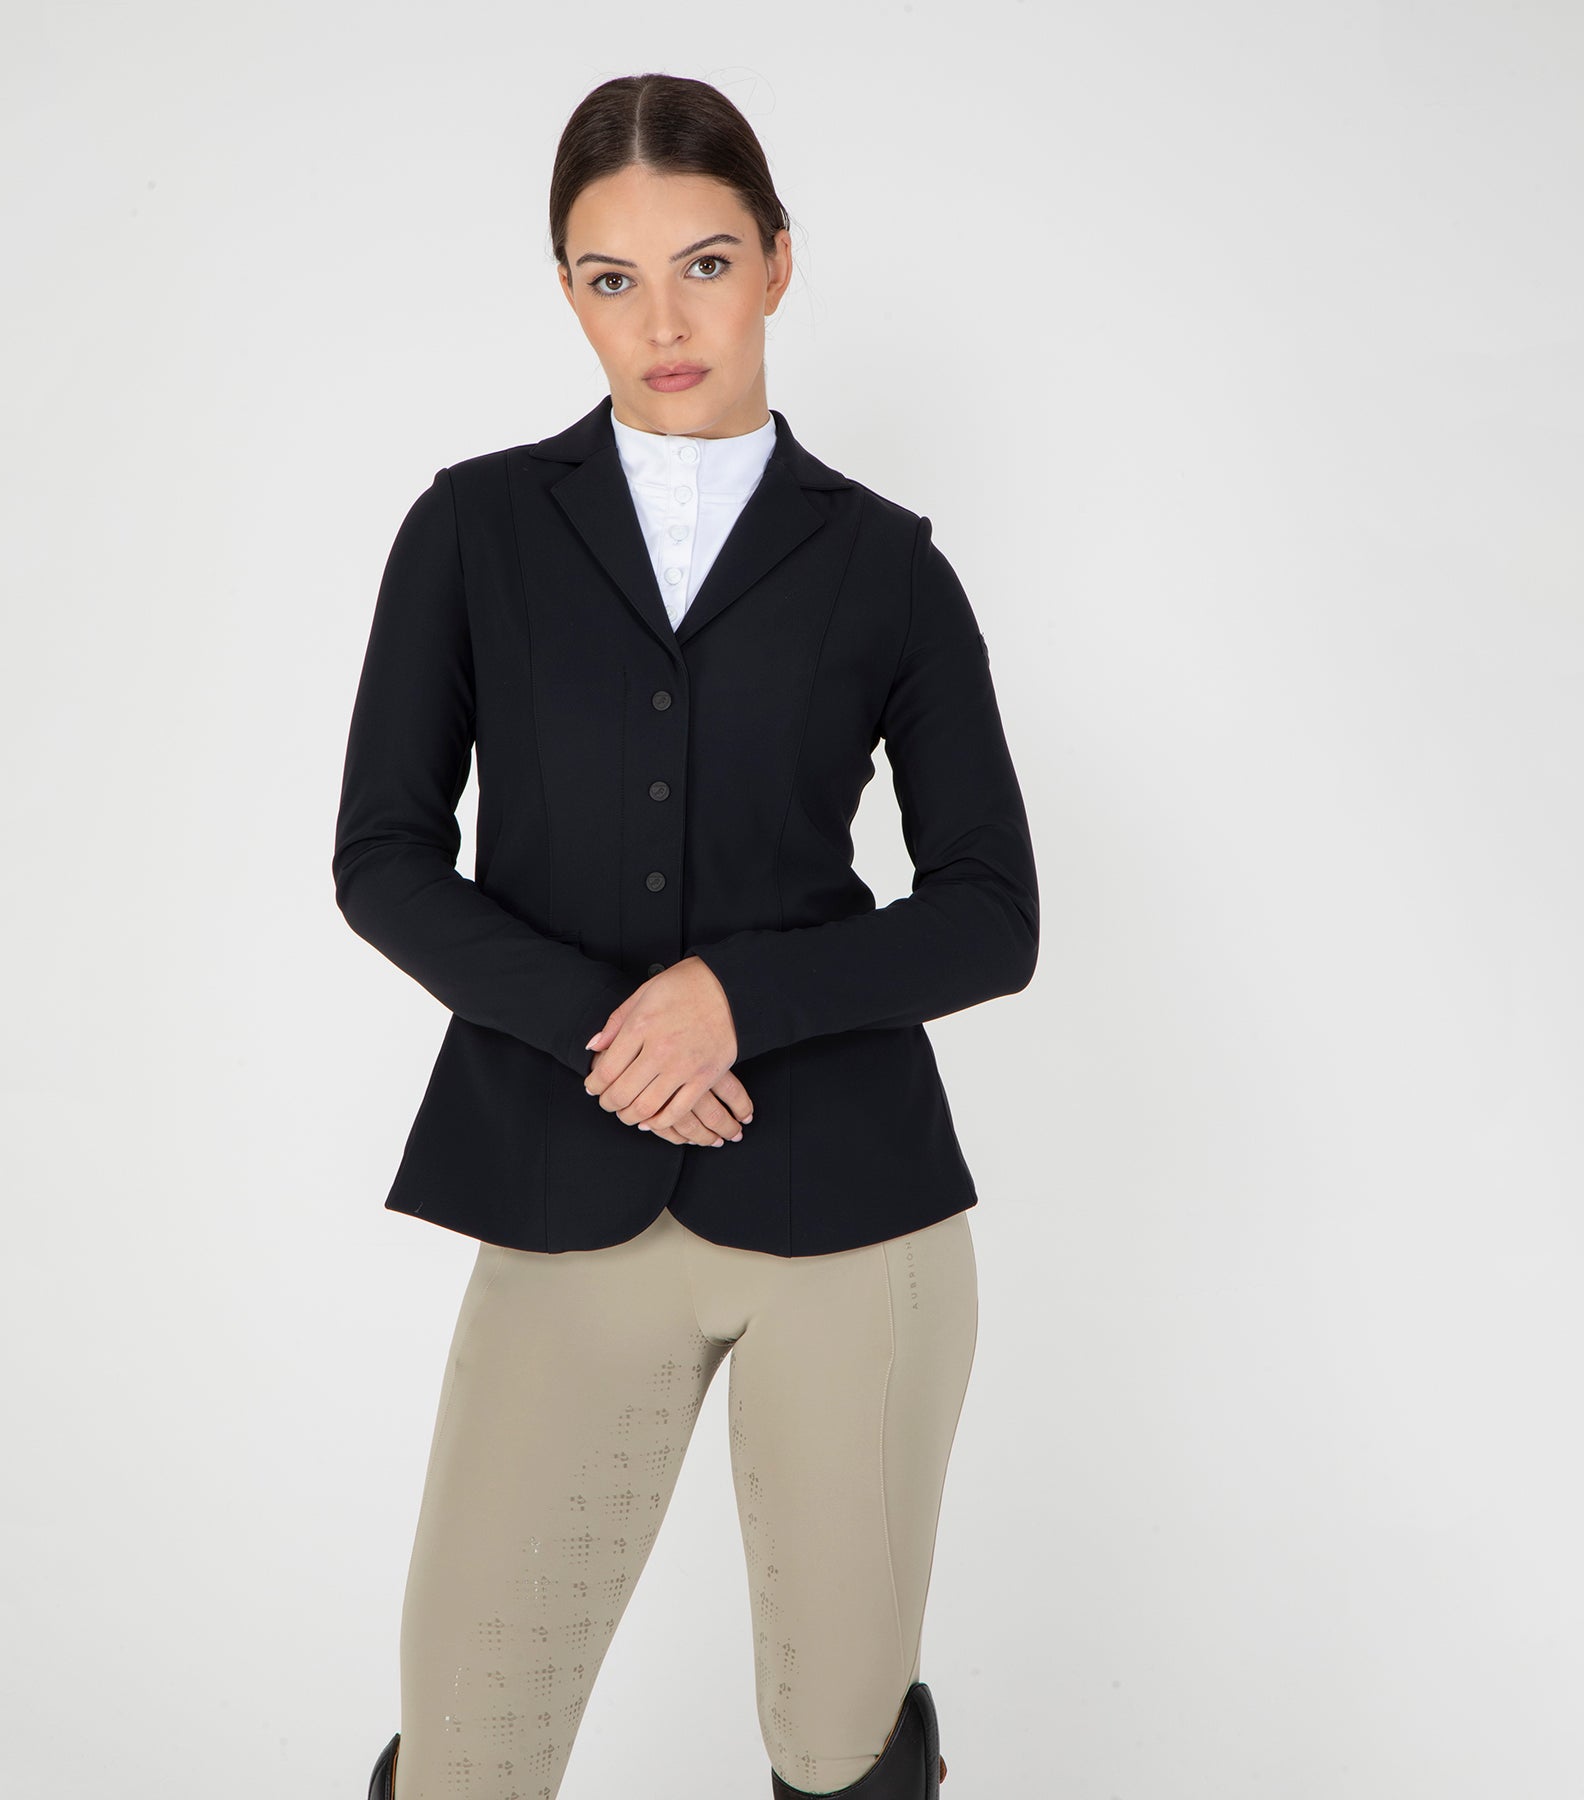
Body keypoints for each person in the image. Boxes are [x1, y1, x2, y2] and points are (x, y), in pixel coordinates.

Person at [333, 71, 1039, 1800]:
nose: (663, 322)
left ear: (778, 263)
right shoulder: (473, 531)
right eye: (613, 278)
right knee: (469, 1750)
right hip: (562, 1188)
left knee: (837, 1743)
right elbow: (382, 860)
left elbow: (992, 912)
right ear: (566, 290)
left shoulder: (890, 567)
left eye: (706, 265)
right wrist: (615, 1029)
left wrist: (737, 996)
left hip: (854, 1212)